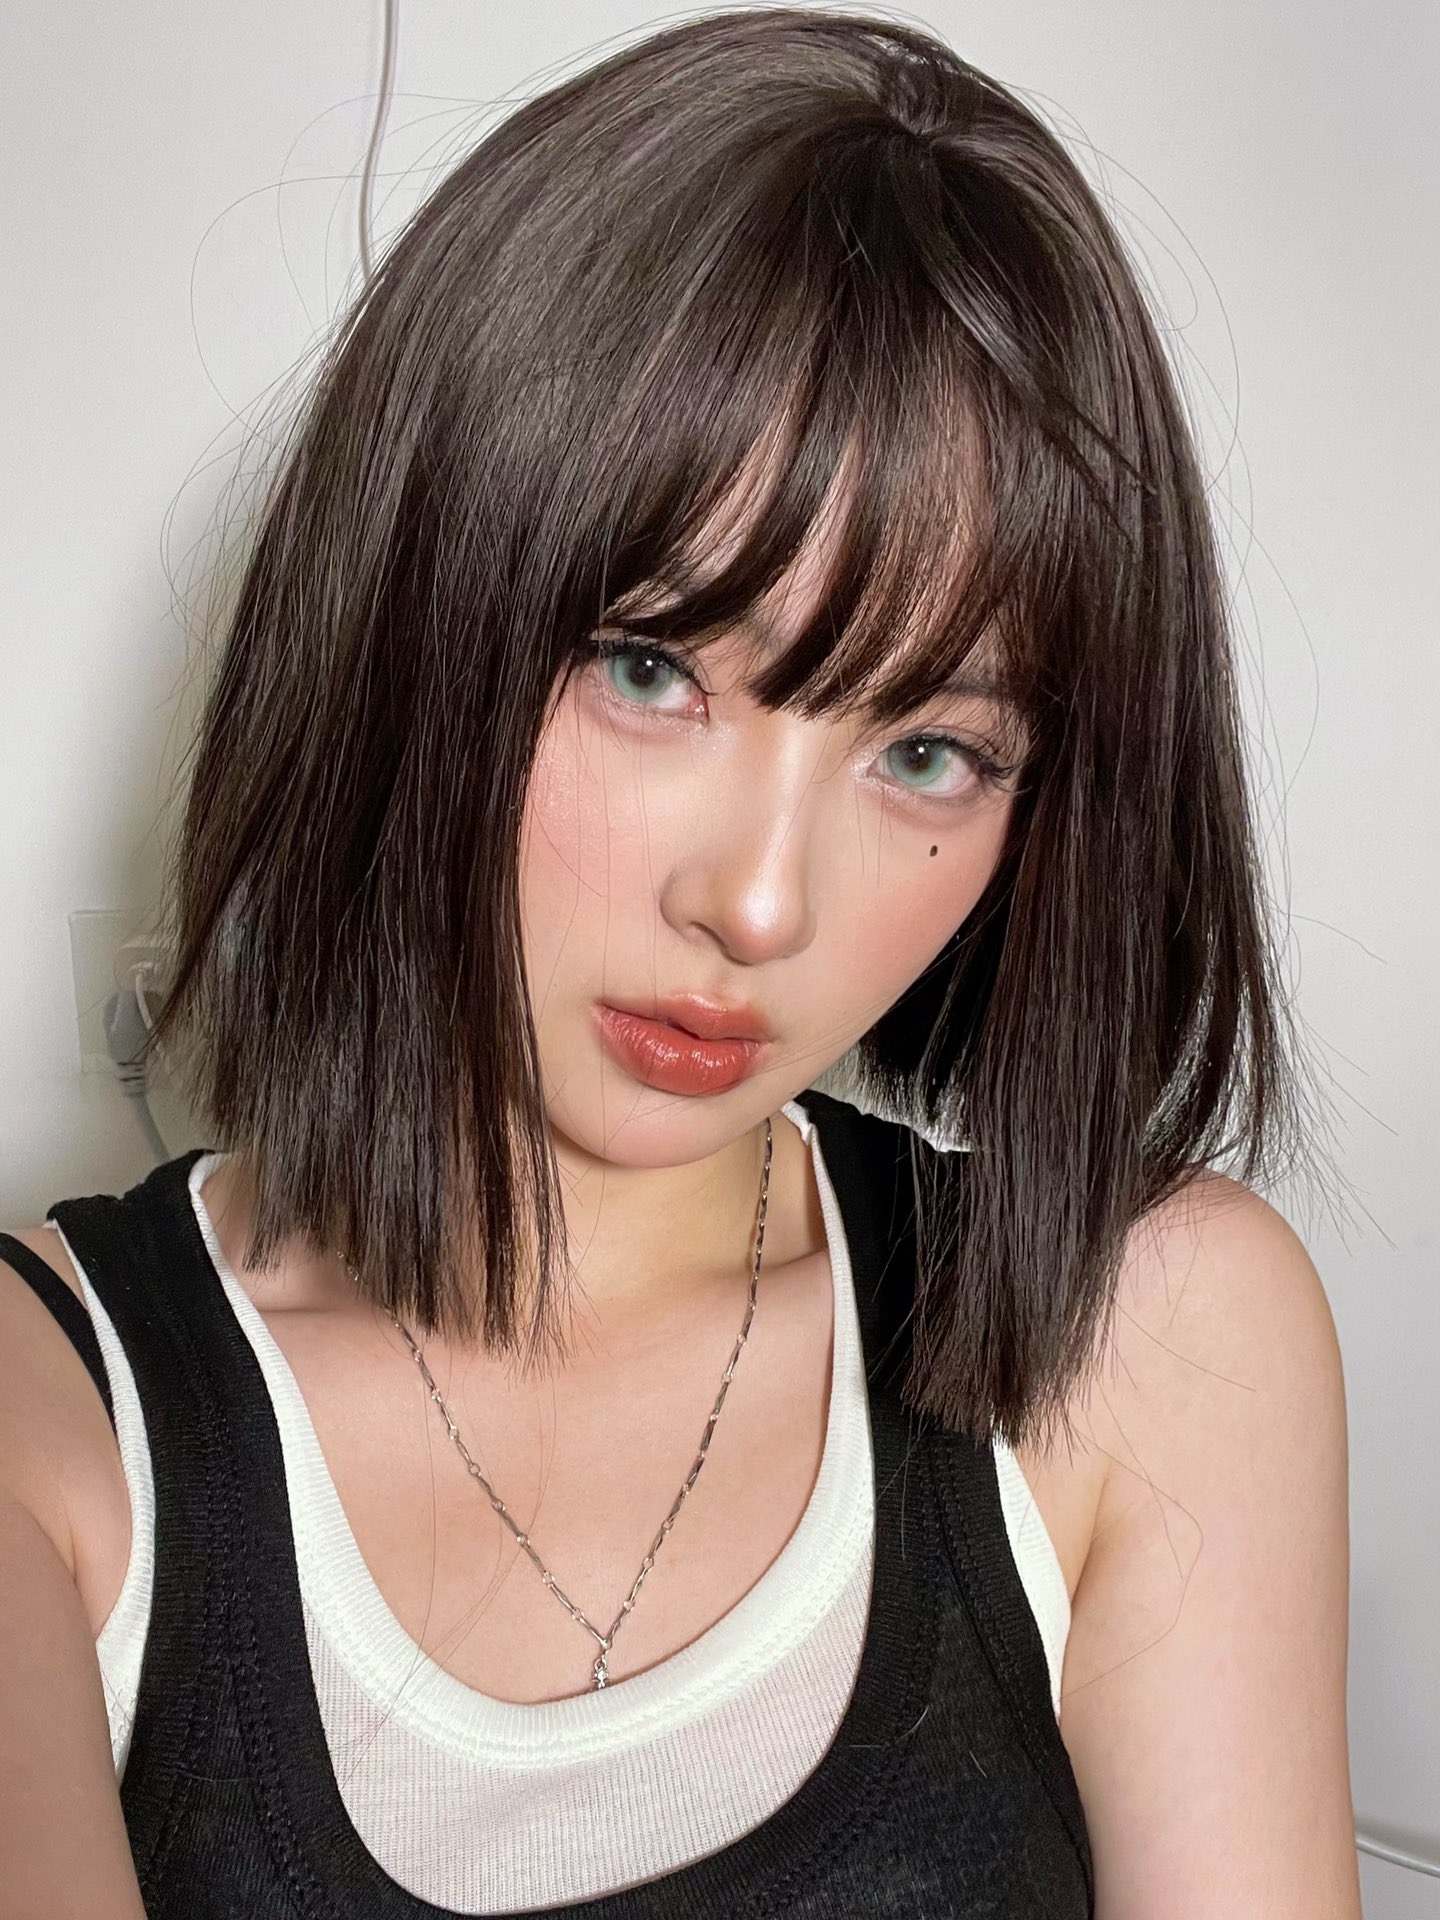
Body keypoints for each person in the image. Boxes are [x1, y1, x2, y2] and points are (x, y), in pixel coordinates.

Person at [0, 8, 1362, 1917]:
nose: (763, 905)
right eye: (654, 670)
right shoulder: (52, 1428)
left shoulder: (1147, 1336)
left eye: (929, 753)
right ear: (413, 605)